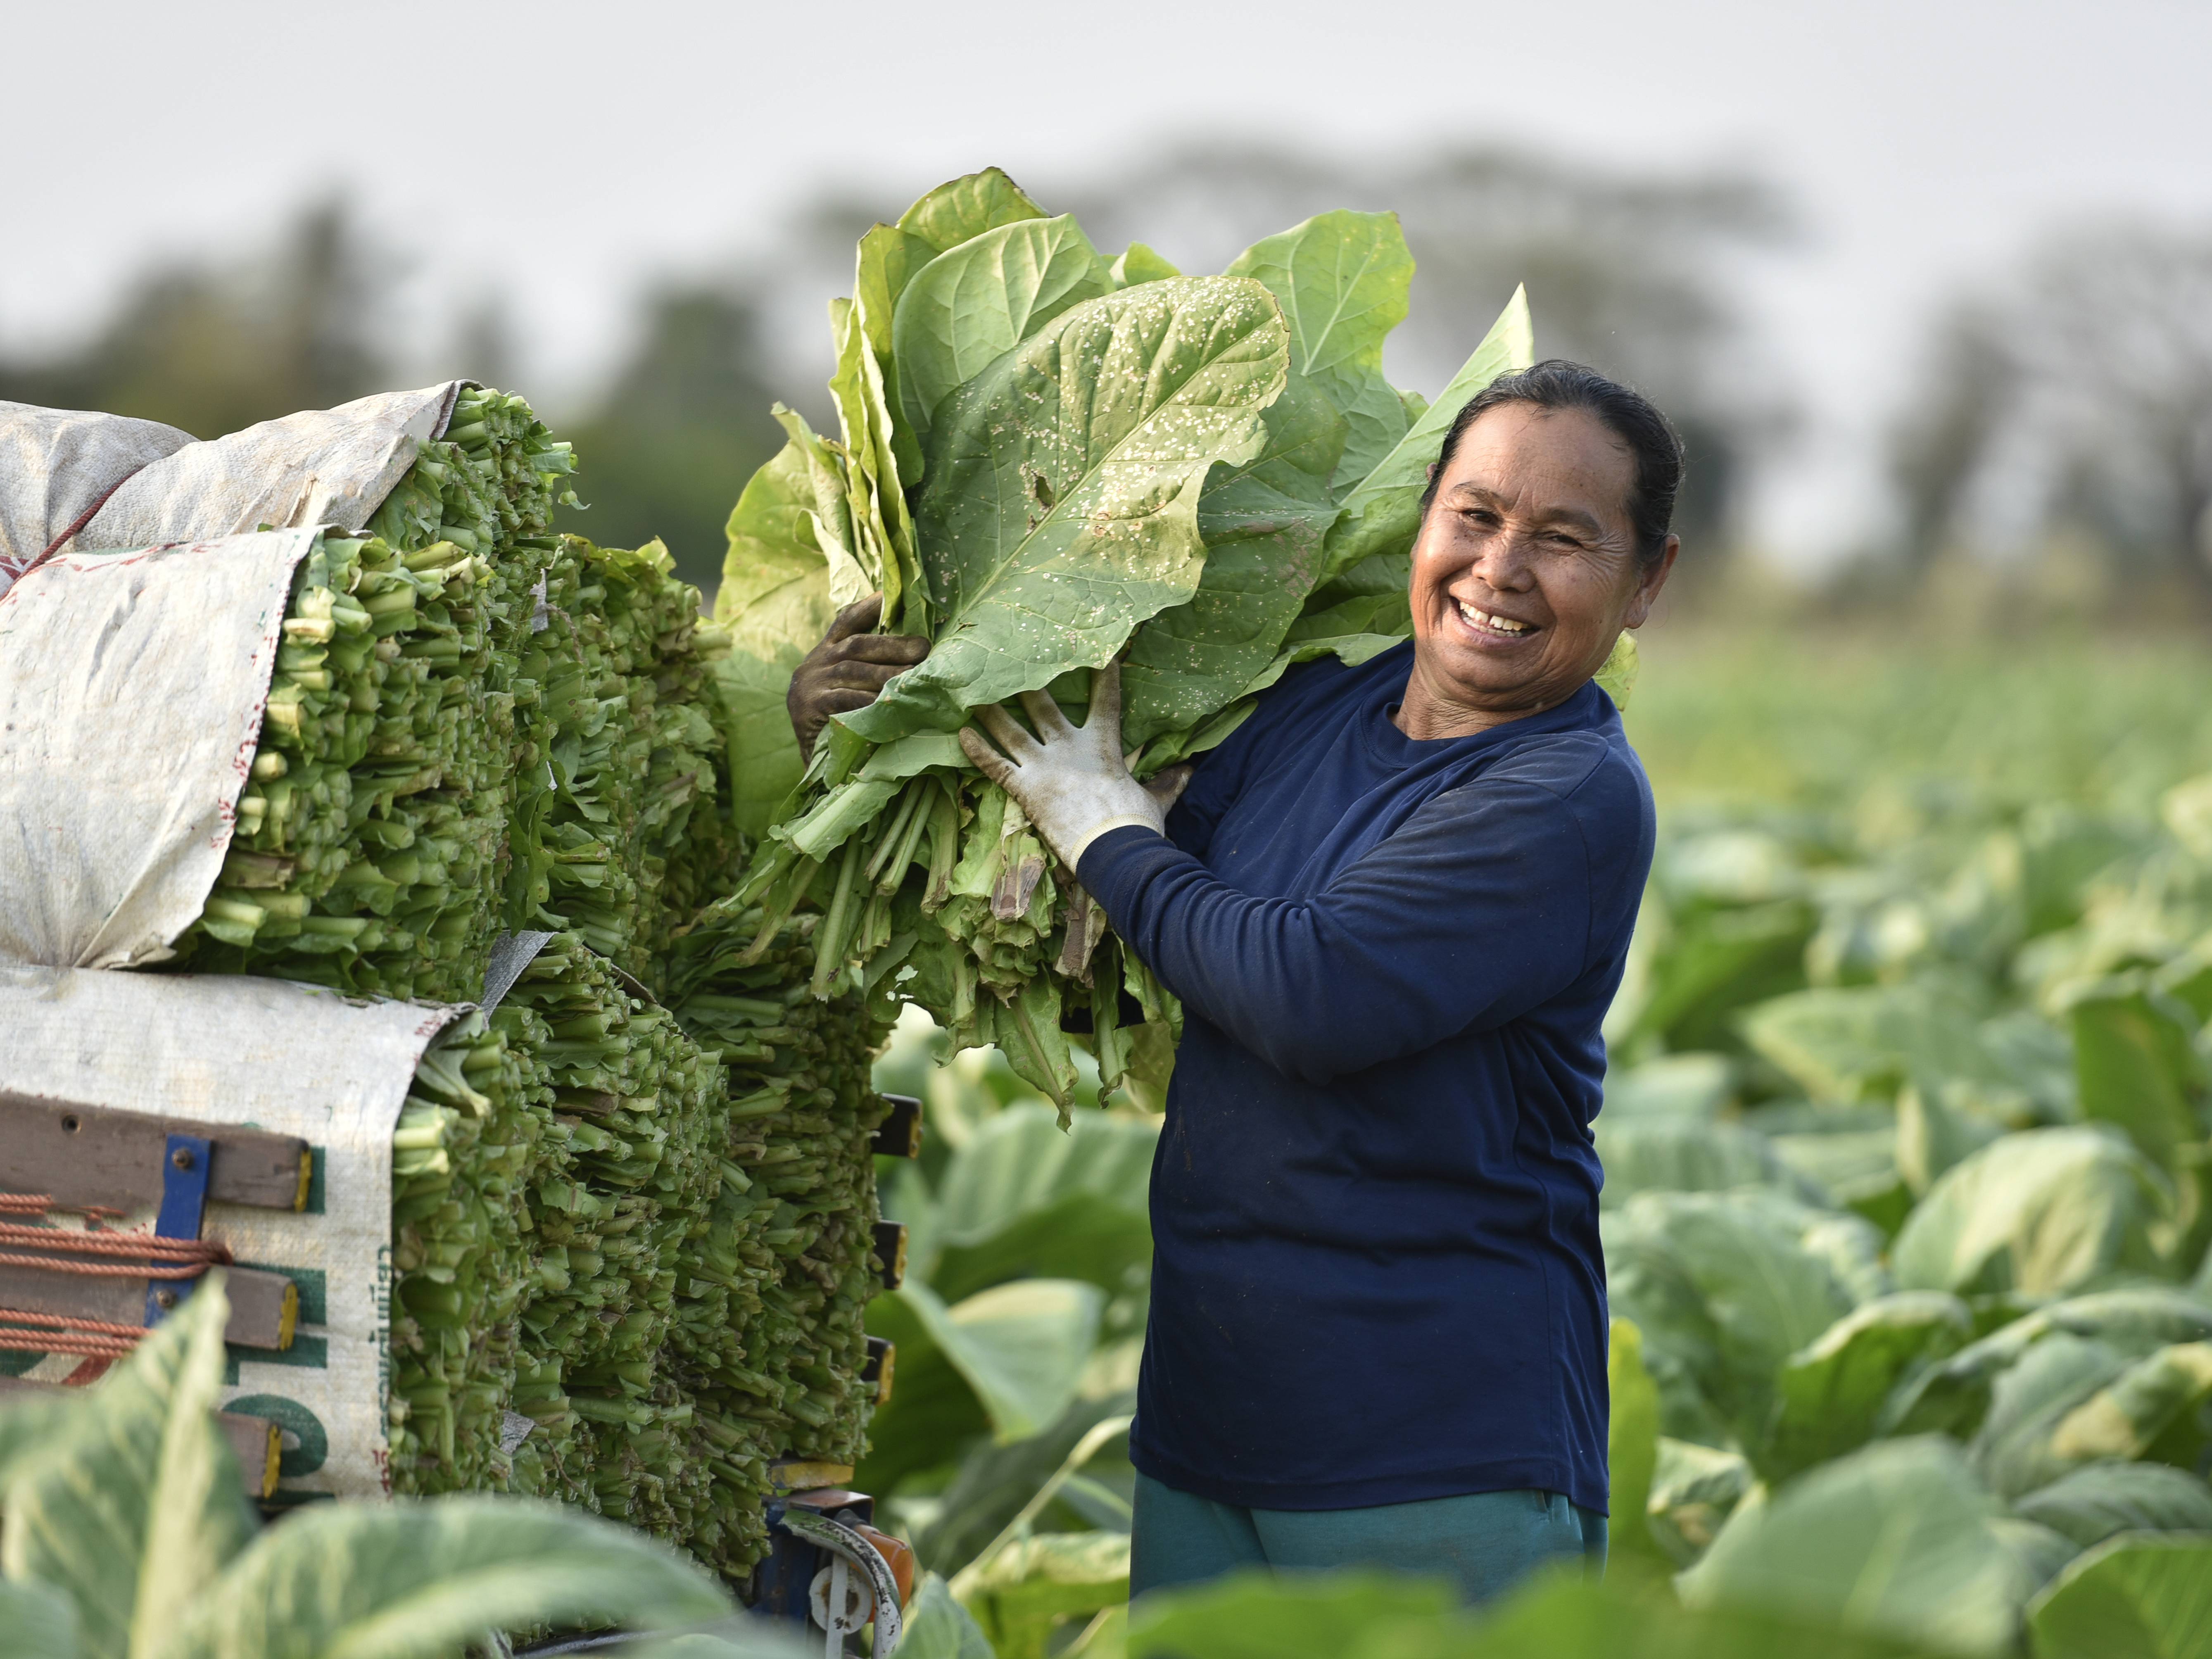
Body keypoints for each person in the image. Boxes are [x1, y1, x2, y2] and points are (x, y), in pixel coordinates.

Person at [786, 360, 1680, 1605]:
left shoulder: (1564, 797)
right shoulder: (1313, 711)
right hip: (1212, 1428)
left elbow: (1309, 997)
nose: (1500, 568)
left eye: (1565, 540)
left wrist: (1102, 826)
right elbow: (1119, 947)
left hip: (1433, 1450)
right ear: (1422, 521)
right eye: (1474, 516)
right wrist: (869, 741)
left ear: (1647, 583)